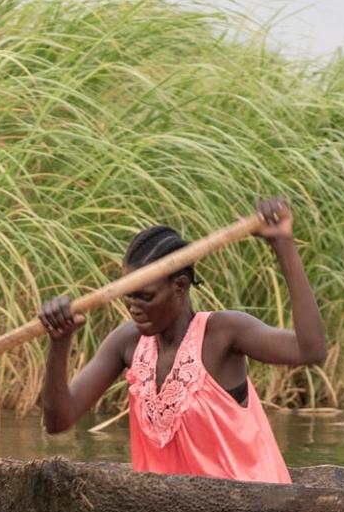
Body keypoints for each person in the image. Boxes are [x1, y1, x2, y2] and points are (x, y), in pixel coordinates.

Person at [36, 198, 326, 483]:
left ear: (180, 286)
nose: (134, 307)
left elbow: (310, 350)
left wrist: (282, 244)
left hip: (251, 509)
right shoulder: (127, 342)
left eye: (146, 297)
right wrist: (59, 343)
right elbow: (58, 422)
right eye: (129, 296)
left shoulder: (223, 334)